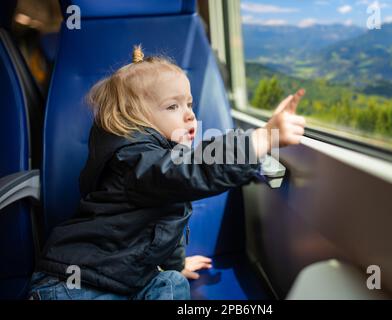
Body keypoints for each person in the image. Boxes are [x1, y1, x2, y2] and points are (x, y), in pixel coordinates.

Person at [28, 45, 306, 300]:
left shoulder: (159, 168)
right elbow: (191, 170)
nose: (189, 115)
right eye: (173, 106)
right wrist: (258, 140)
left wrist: (178, 264)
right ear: (133, 118)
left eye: (189, 104)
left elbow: (164, 223)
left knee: (171, 282)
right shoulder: (134, 160)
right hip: (73, 286)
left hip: (119, 282)